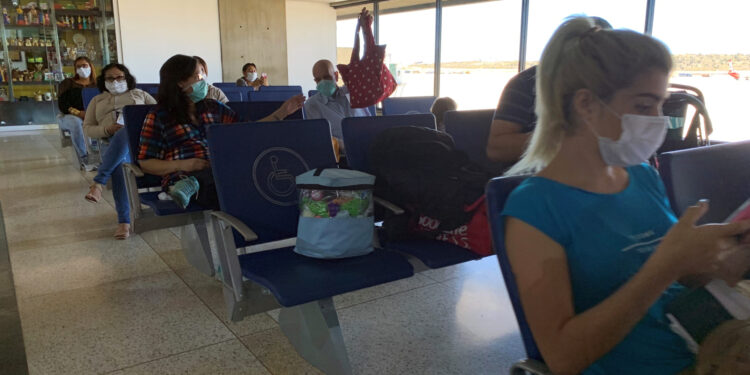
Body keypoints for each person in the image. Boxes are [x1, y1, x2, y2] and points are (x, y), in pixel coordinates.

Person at [501, 17, 750, 375]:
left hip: (702, 346)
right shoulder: (534, 210)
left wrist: (719, 257)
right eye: (646, 106)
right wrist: (665, 265)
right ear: (587, 104)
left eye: (661, 105)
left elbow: (676, 279)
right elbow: (564, 359)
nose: (660, 121)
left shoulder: (641, 176)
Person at [138, 55, 304, 209]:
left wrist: (282, 112)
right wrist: (184, 164)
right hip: (185, 173)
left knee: (262, 176)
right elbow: (146, 163)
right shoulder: (159, 116)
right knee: (225, 185)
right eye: (197, 76)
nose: (202, 80)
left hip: (224, 168)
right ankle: (187, 186)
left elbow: (246, 130)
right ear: (181, 82)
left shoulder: (213, 107)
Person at [486, 17, 612, 168]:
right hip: (537, 174)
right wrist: (569, 138)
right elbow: (497, 149)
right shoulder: (526, 83)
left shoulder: (616, 87)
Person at [82, 63, 156, 240]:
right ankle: (123, 220)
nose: (115, 81)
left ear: (127, 78)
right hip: (109, 142)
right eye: (110, 78)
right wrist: (107, 130)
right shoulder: (97, 101)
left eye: (120, 77)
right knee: (120, 163)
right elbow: (87, 128)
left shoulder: (141, 95)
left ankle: (99, 184)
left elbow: (159, 116)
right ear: (104, 81)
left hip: (139, 143)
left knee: (126, 130)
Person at [304, 59, 370, 151]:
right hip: (342, 154)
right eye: (318, 80)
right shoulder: (312, 105)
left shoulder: (352, 93)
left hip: (369, 146)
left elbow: (368, 122)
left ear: (336, 75)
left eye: (327, 77)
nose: (323, 82)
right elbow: (321, 138)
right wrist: (349, 146)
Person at [58, 56, 97, 170]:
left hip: (94, 114)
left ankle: (104, 156)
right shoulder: (68, 83)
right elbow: (63, 105)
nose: (82, 68)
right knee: (76, 123)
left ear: (90, 67)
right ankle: (85, 159)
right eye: (78, 66)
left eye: (84, 65)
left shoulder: (98, 84)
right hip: (71, 116)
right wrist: (79, 113)